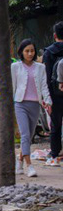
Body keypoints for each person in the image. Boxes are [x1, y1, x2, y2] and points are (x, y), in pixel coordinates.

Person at [12, 39, 52, 178]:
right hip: (20, 103)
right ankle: (29, 166)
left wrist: (48, 101)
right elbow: (13, 86)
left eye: (32, 51)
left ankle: (20, 159)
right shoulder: (15, 67)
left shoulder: (40, 68)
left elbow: (44, 86)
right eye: (27, 51)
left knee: (28, 137)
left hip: (35, 104)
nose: (30, 53)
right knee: (25, 135)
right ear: (21, 52)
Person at [42, 21, 63, 167]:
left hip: (55, 95)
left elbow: (46, 76)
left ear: (55, 35)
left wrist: (47, 97)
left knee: (55, 124)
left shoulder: (49, 52)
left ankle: (55, 152)